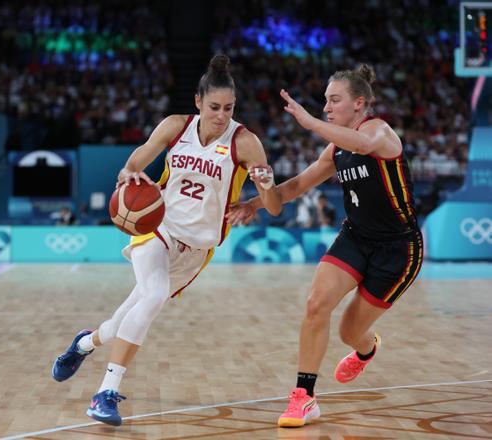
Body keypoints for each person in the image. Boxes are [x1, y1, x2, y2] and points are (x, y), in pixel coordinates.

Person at [51, 54, 282, 426]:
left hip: (198, 249)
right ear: (197, 102)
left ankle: (82, 344)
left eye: (228, 108)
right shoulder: (176, 126)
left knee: (122, 321)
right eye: (213, 107)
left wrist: (264, 183)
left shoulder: (246, 142)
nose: (221, 115)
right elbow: (137, 160)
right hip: (159, 228)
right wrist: (128, 173)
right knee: (154, 296)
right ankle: (105, 394)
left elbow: (272, 207)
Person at [227, 65, 423, 427]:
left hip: (398, 250)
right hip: (355, 237)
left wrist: (308, 122)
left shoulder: (379, 132)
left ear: (359, 103)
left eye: (335, 100)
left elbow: (363, 145)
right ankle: (304, 397)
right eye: (324, 102)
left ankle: (366, 348)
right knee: (316, 304)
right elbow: (296, 186)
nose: (327, 107)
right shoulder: (336, 150)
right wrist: (253, 204)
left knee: (349, 332)